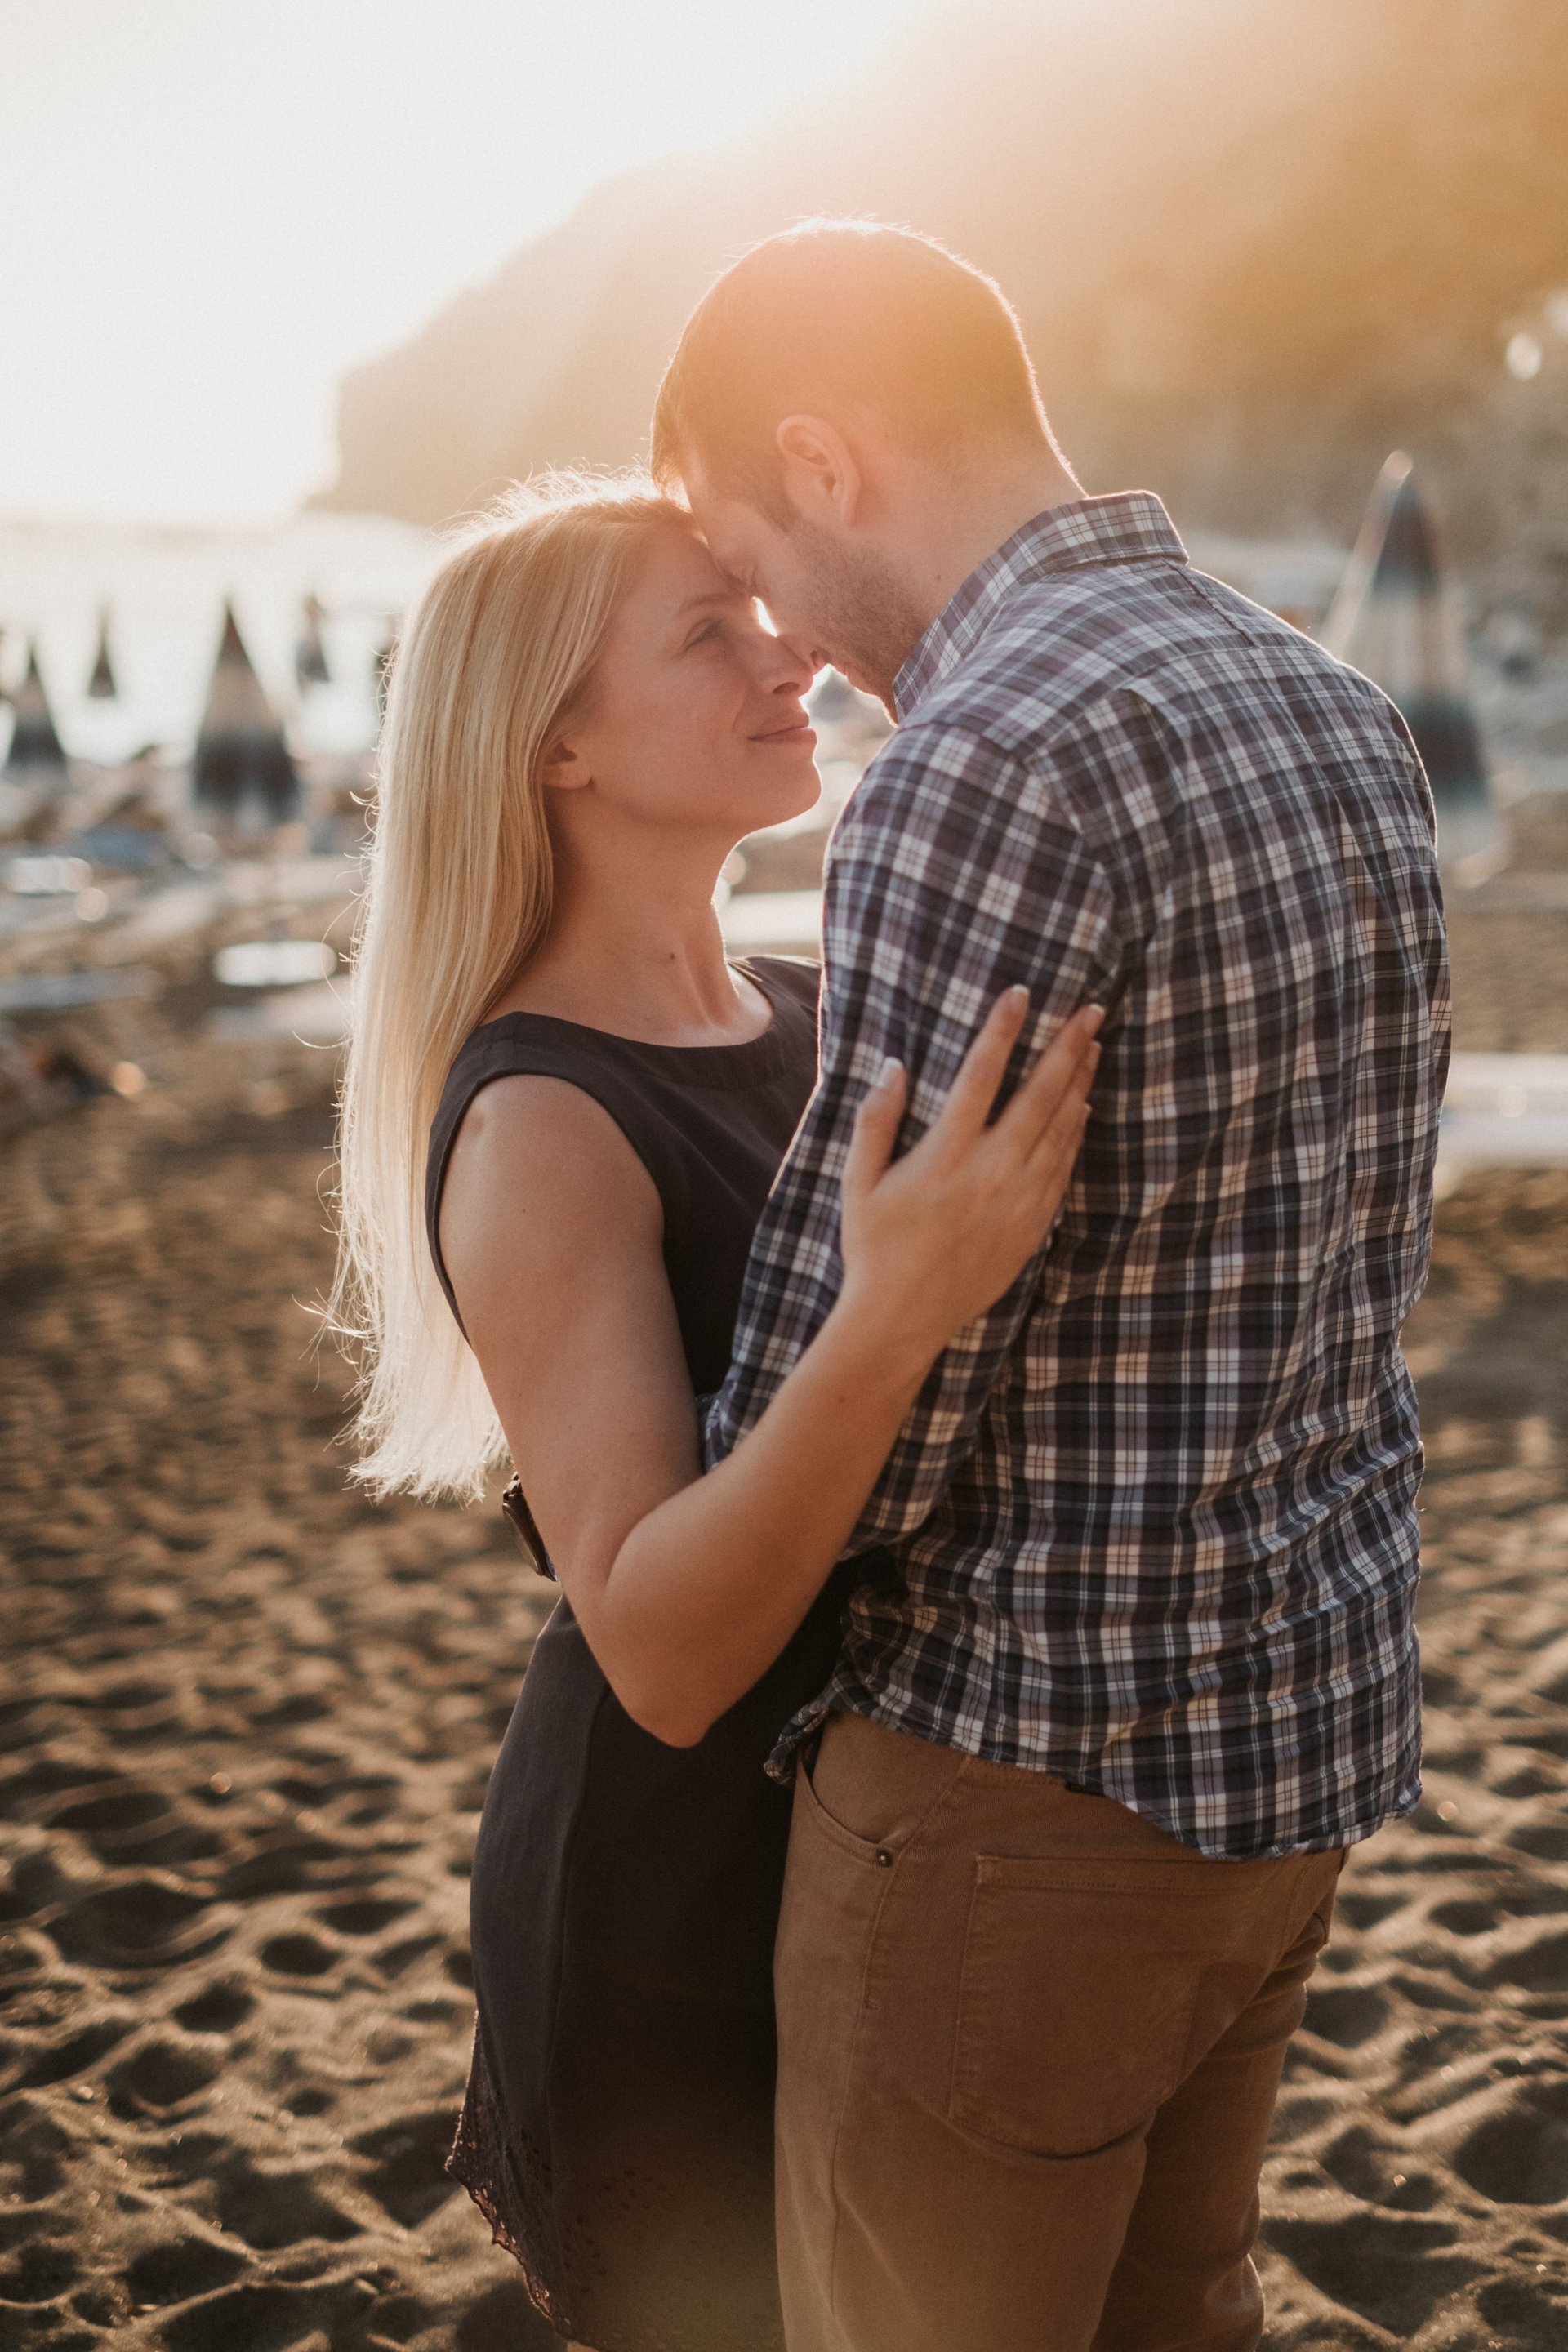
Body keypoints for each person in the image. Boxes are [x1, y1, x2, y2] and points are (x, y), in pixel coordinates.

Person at [650, 220, 1451, 2352]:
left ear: (823, 461)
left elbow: (882, 1418)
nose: (791, 653)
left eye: (753, 567)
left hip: (1027, 1790)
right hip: (1292, 1749)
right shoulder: (1339, 706)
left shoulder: (982, 758)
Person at [329, 474, 1101, 2352]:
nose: (790, 654)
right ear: (560, 748)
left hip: (885, 1858)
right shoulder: (540, 1127)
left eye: (760, 610)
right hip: (678, 1914)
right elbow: (663, 1647)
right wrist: (898, 1308)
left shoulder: (814, 1006)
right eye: (708, 631)